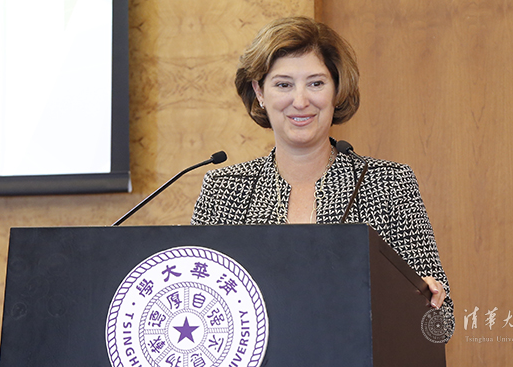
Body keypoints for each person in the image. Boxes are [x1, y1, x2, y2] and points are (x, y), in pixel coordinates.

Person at [191, 16, 454, 330]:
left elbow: (442, 322)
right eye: (283, 84)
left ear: (337, 90)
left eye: (316, 83)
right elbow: (199, 305)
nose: (300, 101)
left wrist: (423, 302)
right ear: (259, 91)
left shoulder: (387, 184)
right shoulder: (223, 189)